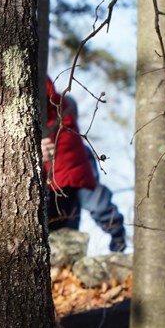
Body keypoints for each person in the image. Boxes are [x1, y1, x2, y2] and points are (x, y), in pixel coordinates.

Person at [59, 92, 127, 252]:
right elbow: (95, 199)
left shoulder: (27, 147)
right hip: (61, 243)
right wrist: (117, 233)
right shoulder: (78, 154)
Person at [41, 77, 98, 231]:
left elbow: (96, 199)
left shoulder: (54, 111)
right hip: (65, 184)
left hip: (57, 185)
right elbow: (97, 200)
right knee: (64, 236)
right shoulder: (61, 107)